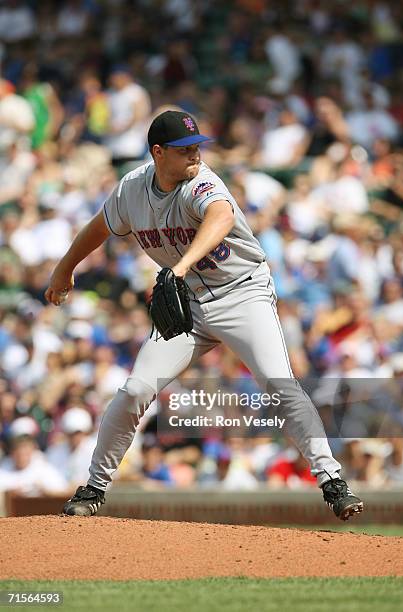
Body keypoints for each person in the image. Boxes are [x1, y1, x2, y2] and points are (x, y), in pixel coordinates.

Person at [44, 110, 363, 520]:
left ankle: (332, 480)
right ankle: (93, 488)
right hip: (188, 304)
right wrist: (65, 267)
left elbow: (220, 216)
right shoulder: (132, 190)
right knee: (136, 390)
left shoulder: (203, 181)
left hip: (241, 293)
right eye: (183, 149)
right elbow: (101, 226)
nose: (195, 154)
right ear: (158, 153)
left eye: (197, 146)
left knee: (279, 384)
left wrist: (177, 268)